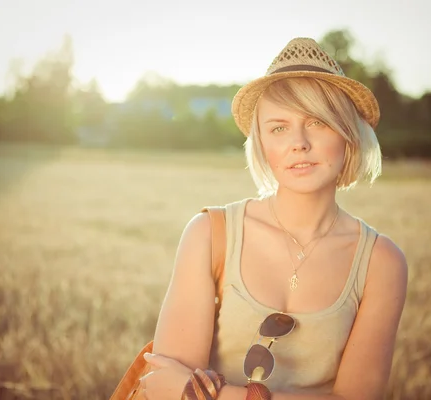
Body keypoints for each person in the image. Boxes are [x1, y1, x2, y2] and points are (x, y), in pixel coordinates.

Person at [139, 37, 408, 399]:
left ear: (348, 135)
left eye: (317, 122)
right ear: (262, 143)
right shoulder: (210, 235)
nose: (299, 142)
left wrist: (220, 395)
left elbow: (186, 390)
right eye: (279, 127)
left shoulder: (382, 263)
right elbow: (163, 390)